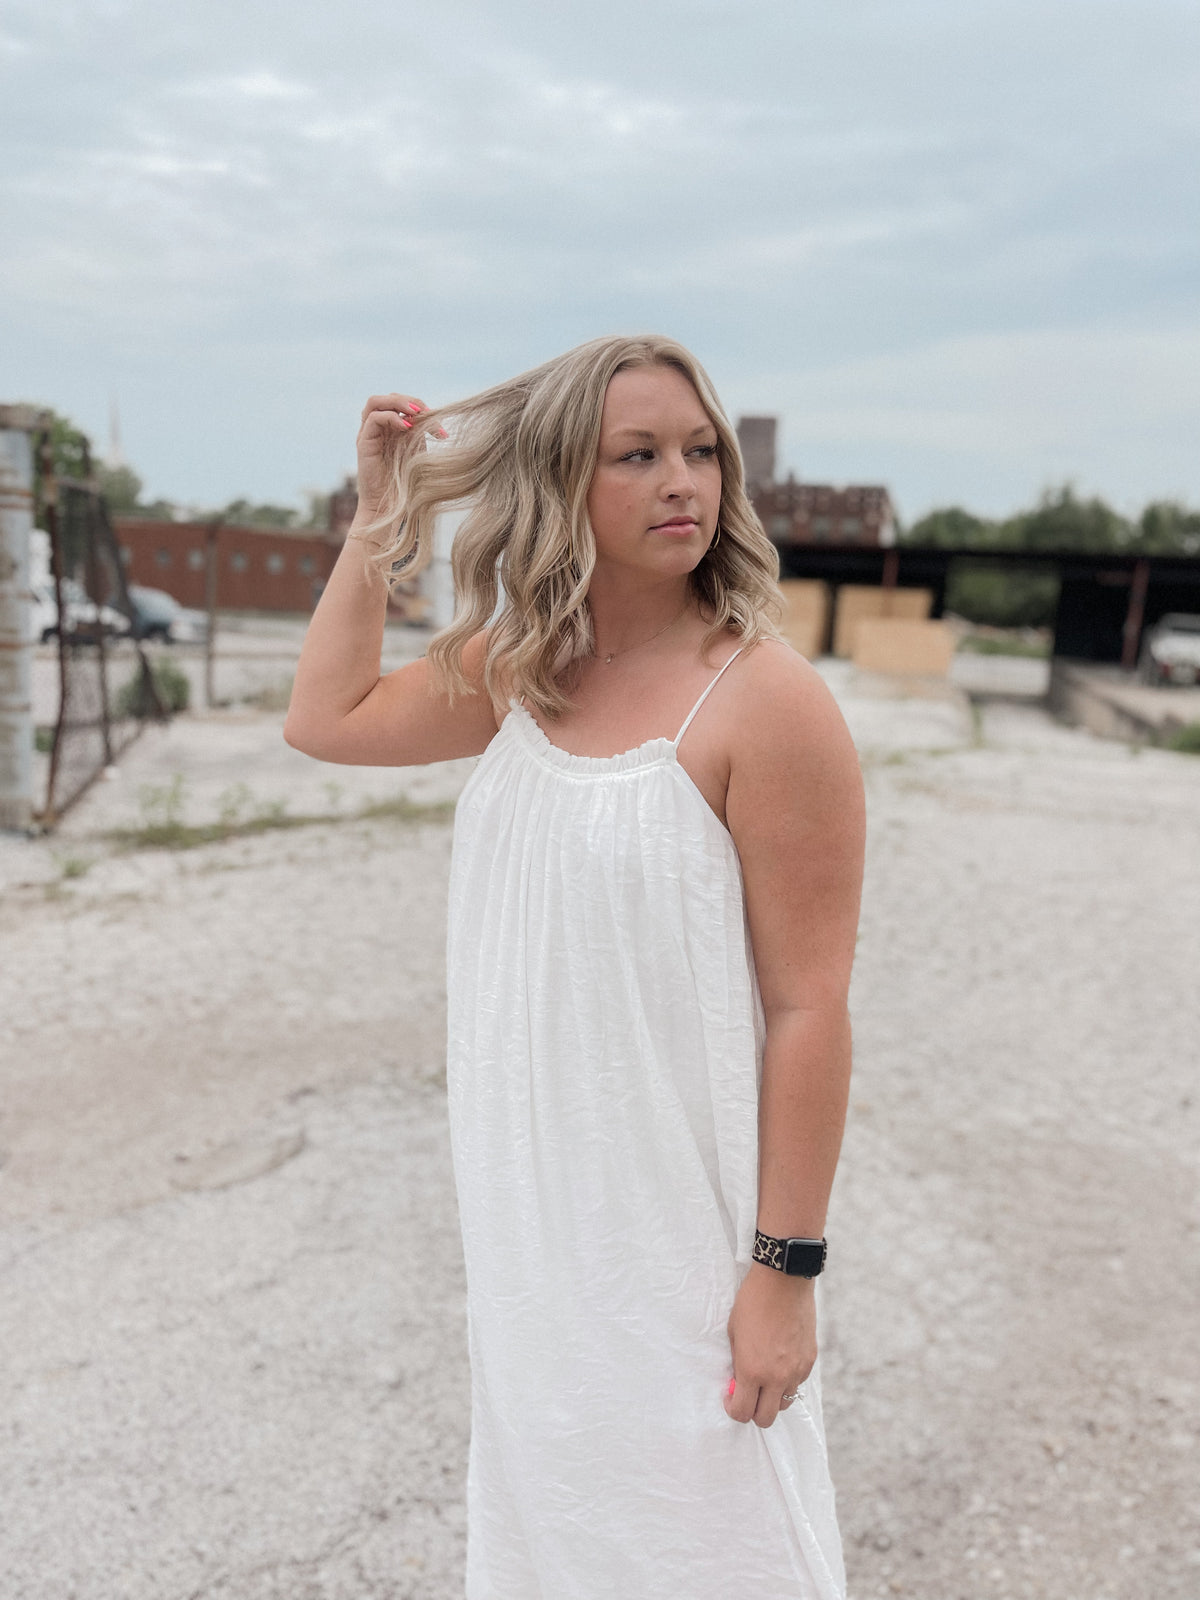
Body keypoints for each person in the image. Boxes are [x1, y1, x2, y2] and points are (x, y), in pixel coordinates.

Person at [284, 333, 865, 1598]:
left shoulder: (767, 702)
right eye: (639, 454)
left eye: (701, 451)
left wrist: (784, 1274)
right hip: (537, 1236)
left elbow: (810, 1007)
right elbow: (324, 717)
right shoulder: (520, 671)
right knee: (562, 1534)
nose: (683, 482)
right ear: (562, 484)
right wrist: (381, 521)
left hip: (684, 1244)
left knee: (718, 1545)